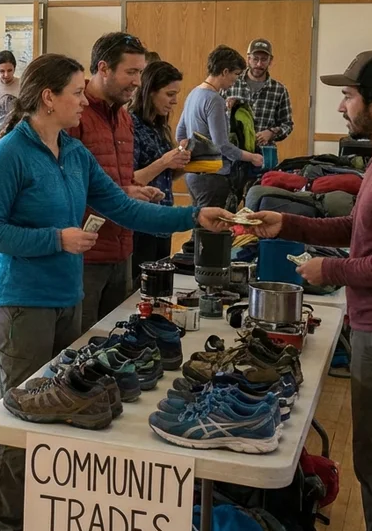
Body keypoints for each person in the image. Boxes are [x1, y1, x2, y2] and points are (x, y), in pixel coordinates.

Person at [0, 53, 233, 531]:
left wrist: (194, 219)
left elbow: (124, 208)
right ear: (48, 98)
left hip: (67, 299)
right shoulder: (9, 154)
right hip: (22, 306)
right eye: (75, 91)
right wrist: (57, 239)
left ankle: (52, 529)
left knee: (63, 416)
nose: (81, 99)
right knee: (17, 426)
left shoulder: (72, 153)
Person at [248, 51, 372, 531]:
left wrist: (328, 269)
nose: (342, 106)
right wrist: (287, 223)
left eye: (349, 95)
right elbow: (359, 229)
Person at [71, 31, 161, 331]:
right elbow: (64, 188)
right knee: (79, 347)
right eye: (131, 72)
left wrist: (133, 190)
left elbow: (114, 179)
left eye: (140, 72)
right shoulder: (74, 115)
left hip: (122, 250)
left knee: (115, 341)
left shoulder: (123, 117)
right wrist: (123, 195)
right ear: (104, 68)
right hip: (85, 257)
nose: (138, 81)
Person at [175, 45, 263, 210]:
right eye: (236, 74)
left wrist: (194, 153)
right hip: (213, 177)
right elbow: (222, 145)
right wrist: (251, 157)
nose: (236, 80)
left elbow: (180, 134)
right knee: (214, 231)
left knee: (199, 227)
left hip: (193, 176)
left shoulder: (193, 93)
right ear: (225, 71)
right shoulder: (215, 99)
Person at [129, 61, 190, 268]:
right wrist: (164, 161)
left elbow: (165, 177)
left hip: (162, 221)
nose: (174, 101)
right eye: (169, 94)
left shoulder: (158, 126)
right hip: (141, 223)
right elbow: (131, 180)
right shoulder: (131, 125)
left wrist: (185, 163)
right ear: (150, 92)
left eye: (176, 94)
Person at [224, 39, 294, 148]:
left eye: (264, 59)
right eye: (255, 59)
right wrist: (227, 107)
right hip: (233, 151)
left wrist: (271, 133)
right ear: (248, 58)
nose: (259, 64)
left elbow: (287, 125)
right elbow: (214, 114)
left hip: (264, 154)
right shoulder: (231, 82)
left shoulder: (279, 90)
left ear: (270, 60)